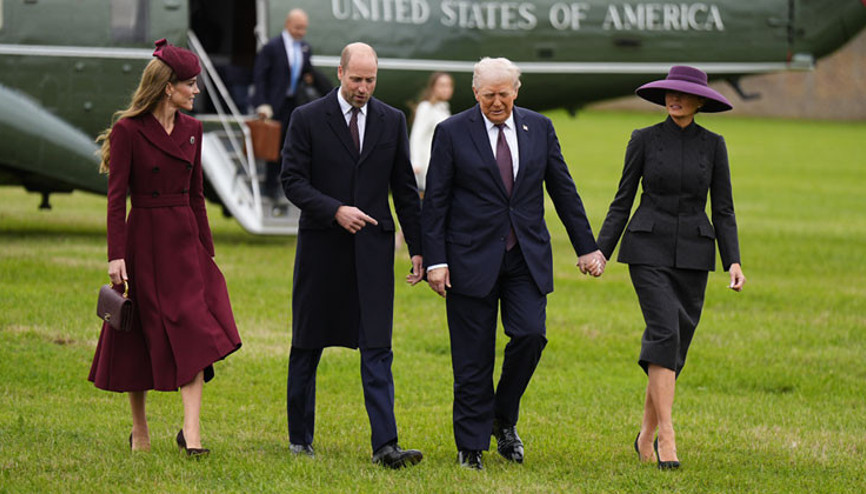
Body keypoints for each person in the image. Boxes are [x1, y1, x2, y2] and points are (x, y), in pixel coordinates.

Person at [421, 57, 606, 470]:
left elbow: (563, 189)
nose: (496, 102)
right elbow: (435, 201)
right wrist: (436, 261)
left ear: (516, 91)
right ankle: (470, 446)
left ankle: (501, 417)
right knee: (472, 357)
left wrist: (586, 247)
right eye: (488, 95)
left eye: (503, 94)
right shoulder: (451, 132)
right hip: (469, 258)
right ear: (475, 93)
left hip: (526, 256)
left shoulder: (539, 128)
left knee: (530, 335)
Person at [89, 39, 242, 456]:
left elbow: (196, 195)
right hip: (142, 240)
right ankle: (140, 429)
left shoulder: (194, 130)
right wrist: (116, 255)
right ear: (167, 87)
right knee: (136, 333)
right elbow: (116, 199)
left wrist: (206, 249)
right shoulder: (128, 131)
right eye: (190, 84)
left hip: (184, 242)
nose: (196, 91)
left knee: (195, 328)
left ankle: (191, 434)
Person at [280, 42, 425, 468]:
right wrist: (334, 210)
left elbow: (404, 190)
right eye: (357, 79)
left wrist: (419, 249)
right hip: (321, 250)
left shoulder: (392, 120)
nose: (363, 87)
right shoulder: (307, 118)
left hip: (373, 253)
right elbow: (292, 180)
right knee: (307, 344)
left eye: (371, 80)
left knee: (377, 346)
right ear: (340, 73)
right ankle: (300, 438)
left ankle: (386, 446)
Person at [596, 65, 746, 470]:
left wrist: (732, 260)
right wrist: (601, 251)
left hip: (695, 255)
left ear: (699, 102)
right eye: (669, 93)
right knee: (664, 332)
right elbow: (622, 199)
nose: (674, 99)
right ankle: (668, 435)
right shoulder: (643, 139)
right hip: (646, 248)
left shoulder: (714, 145)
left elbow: (724, 208)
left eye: (682, 94)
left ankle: (645, 435)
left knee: (674, 345)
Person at [251, 8, 314, 202]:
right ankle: (270, 186)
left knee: (290, 146)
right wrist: (262, 103)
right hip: (274, 105)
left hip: (294, 104)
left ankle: (286, 184)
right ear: (287, 25)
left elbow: (308, 73)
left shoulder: (305, 48)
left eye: (304, 28)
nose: (301, 32)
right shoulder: (272, 47)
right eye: (297, 27)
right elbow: (260, 76)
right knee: (273, 146)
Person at [409, 72, 454, 194]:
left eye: (449, 85)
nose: (446, 89)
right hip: (426, 165)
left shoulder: (444, 108)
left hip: (442, 164)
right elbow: (417, 135)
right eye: (442, 85)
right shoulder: (426, 107)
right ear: (433, 87)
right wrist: (415, 162)